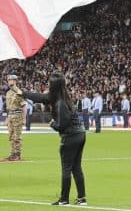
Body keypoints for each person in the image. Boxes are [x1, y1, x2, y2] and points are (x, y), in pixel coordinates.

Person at [23, 71, 87, 206]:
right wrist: (23, 93)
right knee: (76, 168)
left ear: (53, 86)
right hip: (80, 134)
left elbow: (61, 126)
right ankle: (82, 198)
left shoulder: (60, 103)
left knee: (66, 168)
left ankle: (64, 199)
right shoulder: (63, 97)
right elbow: (40, 97)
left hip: (70, 136)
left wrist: (52, 124)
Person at [5, 74, 26, 160]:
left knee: (17, 136)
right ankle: (12, 153)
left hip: (17, 115)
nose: (9, 81)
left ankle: (17, 153)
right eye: (8, 80)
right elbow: (9, 107)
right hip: (10, 115)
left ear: (15, 81)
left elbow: (24, 106)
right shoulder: (8, 93)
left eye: (10, 80)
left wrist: (24, 119)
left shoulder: (19, 92)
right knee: (11, 136)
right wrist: (7, 118)